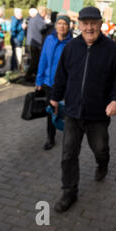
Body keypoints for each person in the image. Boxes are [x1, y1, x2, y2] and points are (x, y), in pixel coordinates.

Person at [50, 6, 116, 213]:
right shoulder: (71, 48)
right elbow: (61, 75)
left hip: (98, 115)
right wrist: (55, 97)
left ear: (100, 24)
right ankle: (69, 191)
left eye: (93, 23)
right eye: (85, 23)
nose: (89, 27)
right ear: (79, 25)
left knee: (100, 149)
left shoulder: (112, 50)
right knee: (68, 154)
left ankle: (102, 164)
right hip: (73, 113)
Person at [36, 15, 72, 150]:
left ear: (69, 27)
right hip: (48, 83)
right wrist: (39, 80)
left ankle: (69, 135)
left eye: (65, 24)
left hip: (65, 84)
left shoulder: (71, 43)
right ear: (56, 25)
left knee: (66, 111)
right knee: (51, 111)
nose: (62, 26)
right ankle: (50, 137)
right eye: (60, 23)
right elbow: (43, 60)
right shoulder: (49, 40)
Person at [24, 6, 47, 84]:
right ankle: (28, 76)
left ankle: (31, 76)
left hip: (30, 42)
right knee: (35, 61)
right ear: (43, 13)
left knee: (34, 61)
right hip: (36, 44)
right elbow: (44, 30)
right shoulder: (39, 20)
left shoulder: (33, 19)